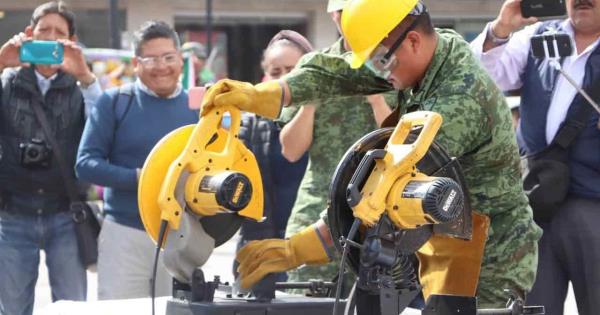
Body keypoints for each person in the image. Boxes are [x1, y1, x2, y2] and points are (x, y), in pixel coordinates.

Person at [200, 0, 542, 308]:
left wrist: (298, 249)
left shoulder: (460, 98)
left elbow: (382, 191)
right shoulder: (426, 52)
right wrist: (271, 93)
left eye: (382, 60)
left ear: (412, 42)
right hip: (442, 242)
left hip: (492, 254)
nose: (380, 72)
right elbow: (337, 71)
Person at [470, 0, 600, 313]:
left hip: (593, 204)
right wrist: (501, 29)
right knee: (532, 305)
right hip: (535, 203)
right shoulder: (537, 36)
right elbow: (482, 79)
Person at [75, 20, 198, 300]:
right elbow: (85, 163)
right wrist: (140, 178)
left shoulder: (198, 106)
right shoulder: (115, 102)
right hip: (124, 234)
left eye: (169, 57)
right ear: (136, 63)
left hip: (183, 237)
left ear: (180, 60)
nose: (162, 66)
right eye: (151, 59)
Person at [278, 1, 393, 291]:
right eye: (346, 12)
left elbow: (404, 142)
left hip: (379, 213)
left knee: (377, 302)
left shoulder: (396, 64)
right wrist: (310, 102)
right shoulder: (316, 65)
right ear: (334, 15)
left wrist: (377, 98)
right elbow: (290, 151)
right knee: (306, 301)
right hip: (318, 206)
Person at [0, 1, 102, 314]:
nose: (51, 37)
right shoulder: (7, 81)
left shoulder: (81, 87)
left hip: (65, 213)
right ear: (29, 34)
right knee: (12, 308)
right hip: (13, 213)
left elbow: (103, 127)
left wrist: (85, 75)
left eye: (60, 32)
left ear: (71, 40)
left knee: (71, 307)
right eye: (44, 30)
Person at [233, 30, 311, 283]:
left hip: (314, 250)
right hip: (261, 251)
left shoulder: (333, 120)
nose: (284, 79)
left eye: (292, 69)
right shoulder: (249, 124)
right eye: (275, 72)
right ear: (264, 77)